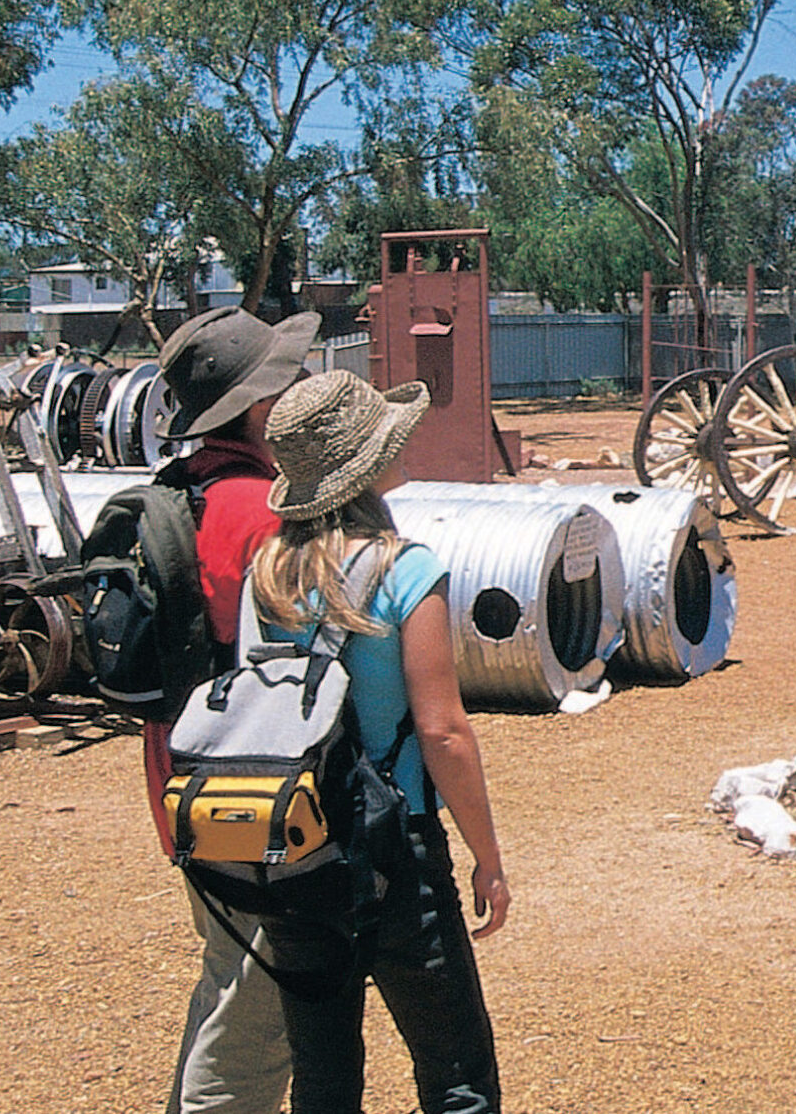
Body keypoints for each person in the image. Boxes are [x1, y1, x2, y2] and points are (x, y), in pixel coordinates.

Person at [247, 369, 509, 1113]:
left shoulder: (265, 573)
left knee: (324, 1074)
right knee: (456, 1074)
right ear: (368, 465)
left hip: (295, 847)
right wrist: (487, 857)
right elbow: (443, 730)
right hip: (397, 846)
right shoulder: (407, 568)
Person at [151, 305, 320, 1114]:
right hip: (249, 788)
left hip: (180, 772)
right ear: (258, 405)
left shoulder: (180, 488)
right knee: (263, 1005)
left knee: (228, 975)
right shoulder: (261, 510)